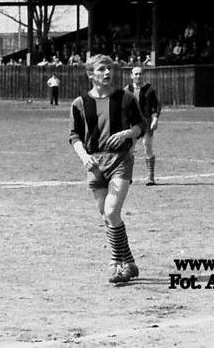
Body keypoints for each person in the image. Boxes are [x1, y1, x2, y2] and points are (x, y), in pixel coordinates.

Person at [68, 54, 146, 284]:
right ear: (91, 74)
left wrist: (128, 133)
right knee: (106, 216)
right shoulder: (80, 103)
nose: (107, 73)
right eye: (101, 69)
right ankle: (129, 263)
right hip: (94, 163)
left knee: (112, 212)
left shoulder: (126, 98)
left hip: (120, 160)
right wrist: (84, 157)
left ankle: (116, 262)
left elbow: (140, 125)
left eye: (110, 68)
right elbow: (74, 136)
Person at [124, 66, 161, 185]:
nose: (138, 76)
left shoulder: (149, 89)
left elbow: (155, 106)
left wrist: (155, 119)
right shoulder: (127, 90)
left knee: (147, 147)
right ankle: (127, 176)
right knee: (129, 149)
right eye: (136, 74)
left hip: (146, 122)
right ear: (131, 75)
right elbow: (123, 107)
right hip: (132, 124)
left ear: (143, 75)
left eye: (140, 74)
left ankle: (150, 177)